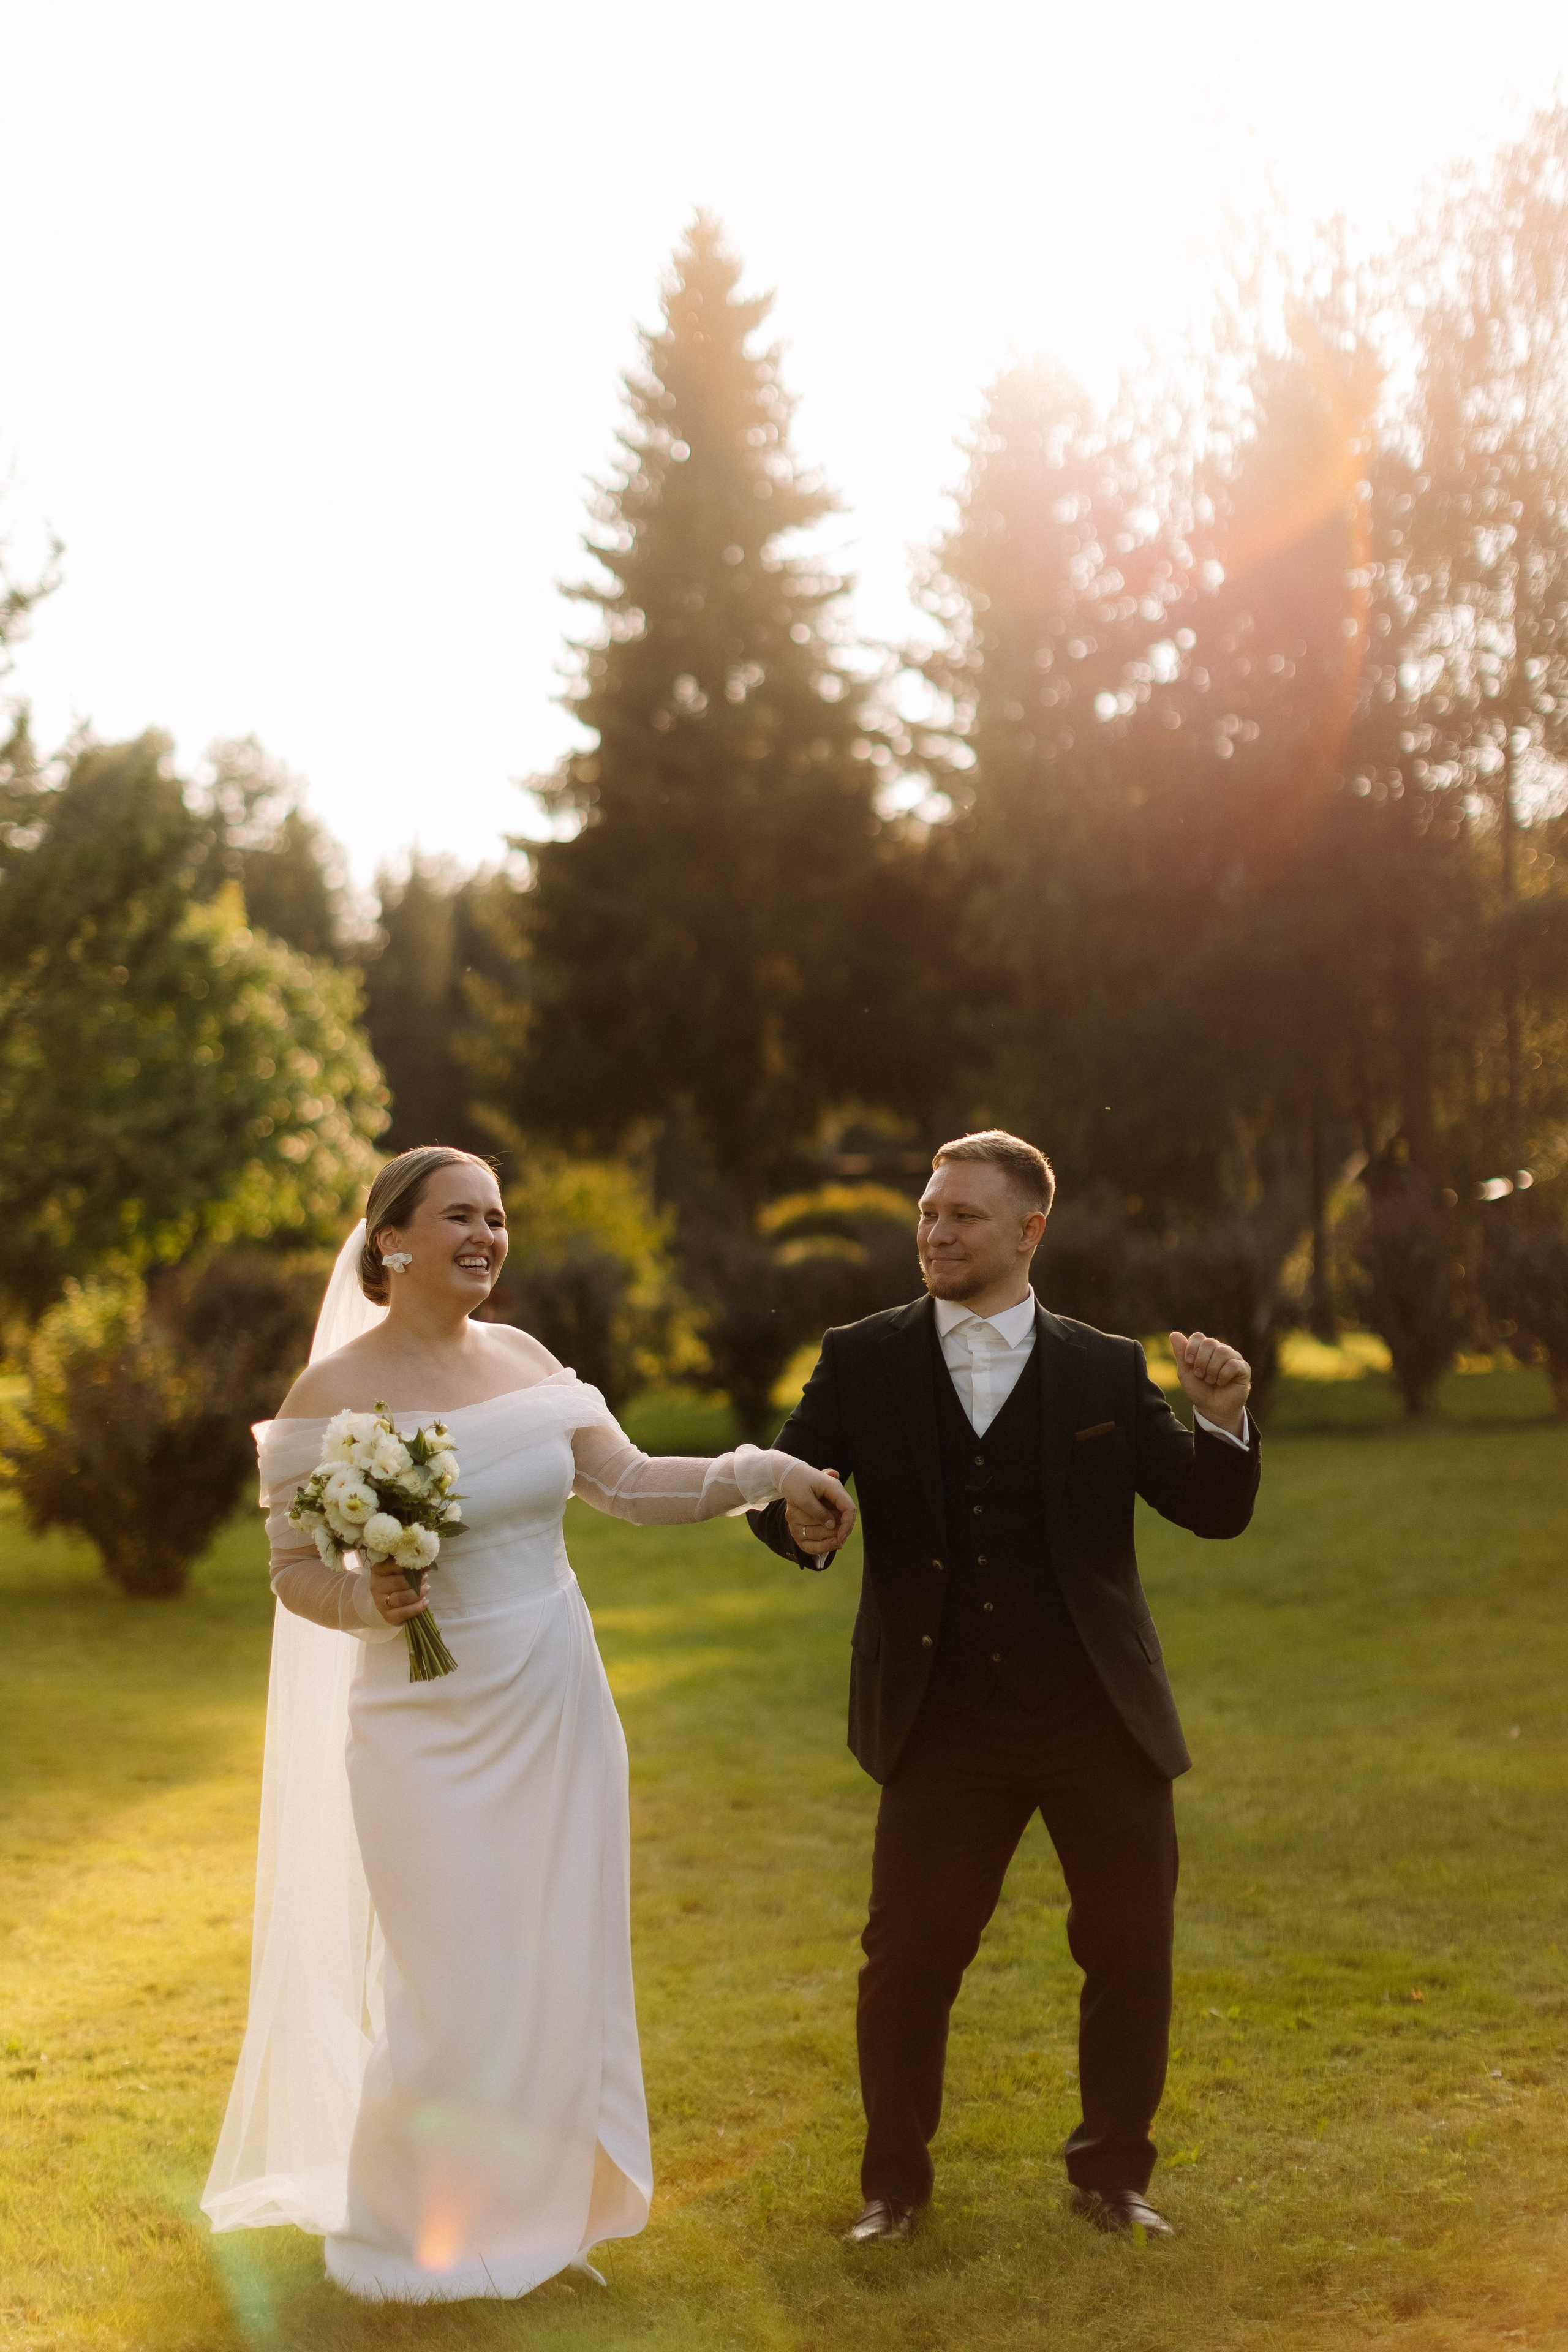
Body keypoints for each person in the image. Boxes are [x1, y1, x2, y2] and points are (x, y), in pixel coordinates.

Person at [202, 1145, 853, 2302]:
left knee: (554, 1961)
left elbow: (630, 1483)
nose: (488, 1237)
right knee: (451, 1979)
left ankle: (542, 2225)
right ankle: (414, 2235)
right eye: (461, 1216)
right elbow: (296, 1570)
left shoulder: (528, 1357)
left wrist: (769, 1470)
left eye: (499, 1219)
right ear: (390, 1239)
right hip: (419, 1721)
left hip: (553, 1697)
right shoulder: (331, 1395)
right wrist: (368, 1596)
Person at [750, 1129, 1259, 2245]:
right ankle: (894, 2189)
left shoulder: (1103, 1367)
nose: (935, 1231)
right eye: (928, 1212)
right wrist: (794, 1519)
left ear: (1030, 1230)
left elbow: (1211, 1510)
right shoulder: (863, 1355)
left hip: (1097, 1712)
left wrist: (1222, 1419)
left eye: (962, 1216)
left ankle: (1112, 2176)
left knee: (1130, 1949)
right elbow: (786, 1485)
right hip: (943, 1718)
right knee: (908, 1960)